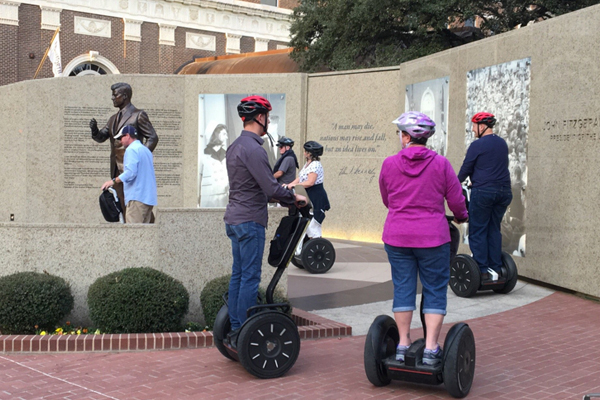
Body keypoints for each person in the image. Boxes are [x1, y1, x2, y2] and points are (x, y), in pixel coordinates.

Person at [380, 111, 468, 366]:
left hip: (397, 236)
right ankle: (430, 349)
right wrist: (461, 216)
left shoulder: (389, 164)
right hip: (433, 237)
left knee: (403, 287)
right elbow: (456, 201)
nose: (400, 137)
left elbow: (387, 199)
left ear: (406, 137)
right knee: (434, 288)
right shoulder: (441, 164)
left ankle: (403, 344)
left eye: (400, 133)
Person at [224, 95, 306, 348]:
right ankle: (242, 331)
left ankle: (237, 327)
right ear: (260, 118)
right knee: (250, 277)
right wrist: (294, 197)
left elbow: (256, 186)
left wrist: (282, 197)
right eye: (268, 117)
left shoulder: (235, 145)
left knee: (238, 275)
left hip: (234, 219)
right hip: (250, 221)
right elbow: (270, 186)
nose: (268, 121)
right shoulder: (254, 149)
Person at [90, 82, 159, 217]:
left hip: (130, 168)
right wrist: (94, 130)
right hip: (116, 169)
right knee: (123, 204)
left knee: (138, 205)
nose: (112, 98)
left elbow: (152, 138)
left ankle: (146, 229)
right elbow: (101, 137)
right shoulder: (113, 119)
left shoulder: (138, 115)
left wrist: (140, 159)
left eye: (115, 95)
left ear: (125, 96)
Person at [458, 112, 512, 281]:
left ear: (482, 127)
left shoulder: (477, 145)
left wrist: (452, 185)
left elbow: (466, 168)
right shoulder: (502, 143)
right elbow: (494, 166)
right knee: (493, 229)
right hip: (504, 192)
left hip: (484, 193)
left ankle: (481, 270)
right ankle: (496, 268)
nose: (473, 129)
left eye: (474, 125)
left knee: (478, 230)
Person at [101, 125, 157, 223]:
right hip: (148, 198)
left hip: (136, 197)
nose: (120, 141)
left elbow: (130, 173)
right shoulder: (145, 150)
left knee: (133, 234)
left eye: (121, 138)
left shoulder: (131, 150)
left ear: (127, 135)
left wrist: (113, 181)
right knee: (144, 234)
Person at [287, 141, 330, 239]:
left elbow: (310, 182)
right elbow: (301, 178)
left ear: (309, 153)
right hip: (308, 195)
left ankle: (316, 247)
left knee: (313, 227)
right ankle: (311, 247)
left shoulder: (315, 165)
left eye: (305, 150)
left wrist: (294, 186)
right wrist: (290, 184)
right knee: (308, 225)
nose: (304, 152)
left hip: (316, 197)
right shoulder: (307, 164)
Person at [200, 123, 229, 207]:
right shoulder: (202, 155)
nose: (226, 137)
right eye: (224, 134)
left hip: (224, 199)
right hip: (208, 199)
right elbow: (198, 179)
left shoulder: (227, 154)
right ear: (215, 134)